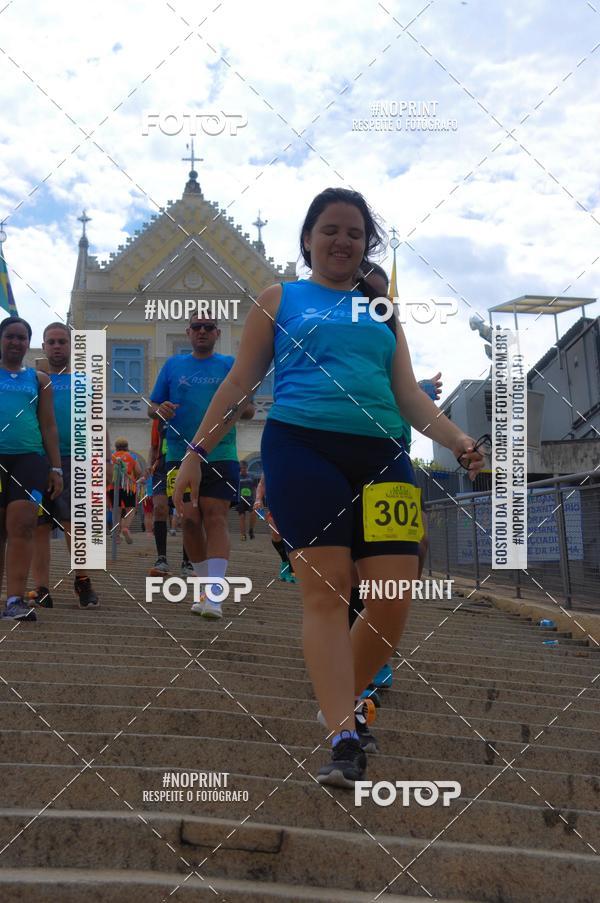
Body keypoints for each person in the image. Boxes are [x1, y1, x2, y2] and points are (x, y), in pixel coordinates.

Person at [173, 188, 483, 787]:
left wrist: (460, 440)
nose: (343, 241)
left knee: (392, 595)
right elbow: (240, 382)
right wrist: (196, 452)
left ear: (367, 244)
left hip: (383, 453)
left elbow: (408, 394)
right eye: (331, 230)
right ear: (309, 238)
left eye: (355, 233)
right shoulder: (279, 298)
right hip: (301, 447)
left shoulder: (381, 310)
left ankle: (339, 696)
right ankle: (344, 733)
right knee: (330, 589)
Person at [148, 313, 254, 618]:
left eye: (209, 327)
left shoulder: (230, 364)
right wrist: (161, 410)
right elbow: (152, 407)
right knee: (190, 520)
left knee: (216, 516)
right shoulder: (173, 366)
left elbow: (249, 409)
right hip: (178, 454)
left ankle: (213, 595)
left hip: (221, 452)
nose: (203, 331)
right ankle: (203, 588)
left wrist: (235, 410)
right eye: (197, 327)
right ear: (188, 332)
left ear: (218, 333)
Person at [29, 322, 101, 609]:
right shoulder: (35, 381)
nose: (57, 346)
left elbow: (97, 422)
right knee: (39, 525)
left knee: (75, 523)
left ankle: (82, 580)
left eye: (62, 341)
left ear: (72, 346)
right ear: (44, 347)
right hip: (38, 458)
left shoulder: (84, 382)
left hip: (75, 458)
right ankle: (41, 588)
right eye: (52, 342)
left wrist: (105, 459)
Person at [0, 317, 63, 621]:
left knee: (23, 525)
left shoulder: (39, 380)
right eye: (10, 336)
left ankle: (15, 600)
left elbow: (49, 426)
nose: (15, 342)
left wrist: (56, 468)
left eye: (21, 337)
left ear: (28, 343)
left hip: (30, 459)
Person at [254, 473, 296, 583]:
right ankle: (285, 561)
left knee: (291, 538)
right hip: (276, 506)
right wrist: (258, 499)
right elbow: (262, 484)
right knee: (276, 534)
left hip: (295, 505)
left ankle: (293, 572)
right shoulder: (270, 465)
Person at [109, 438, 141, 544]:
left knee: (116, 511)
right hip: (128, 486)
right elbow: (138, 471)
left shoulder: (111, 457)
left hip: (113, 487)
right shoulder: (132, 456)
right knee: (130, 509)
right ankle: (125, 527)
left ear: (116, 447)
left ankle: (116, 536)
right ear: (127, 447)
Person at [237, 460, 257, 541]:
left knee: (253, 513)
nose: (243, 470)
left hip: (251, 499)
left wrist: (256, 499)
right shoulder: (237, 476)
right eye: (241, 468)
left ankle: (251, 530)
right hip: (240, 500)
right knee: (242, 517)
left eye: (244, 468)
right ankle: (243, 535)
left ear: (247, 468)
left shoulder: (252, 476)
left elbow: (255, 488)